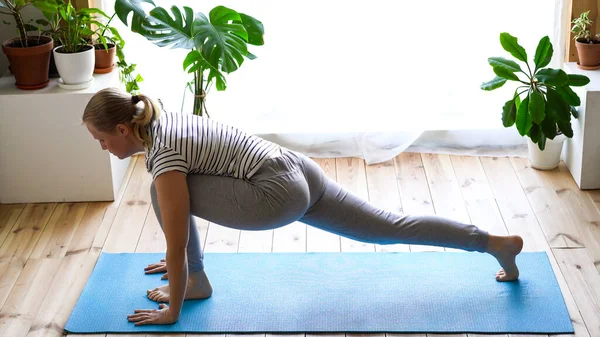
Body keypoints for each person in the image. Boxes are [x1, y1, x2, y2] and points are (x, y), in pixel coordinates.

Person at [82, 88, 524, 327]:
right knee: (390, 225)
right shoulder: (159, 117)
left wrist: (174, 307)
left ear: (123, 129)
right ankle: (493, 243)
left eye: (102, 140)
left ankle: (198, 284)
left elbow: (176, 238)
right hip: (297, 170)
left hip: (274, 194)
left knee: (165, 190)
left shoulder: (164, 154)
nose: (103, 148)